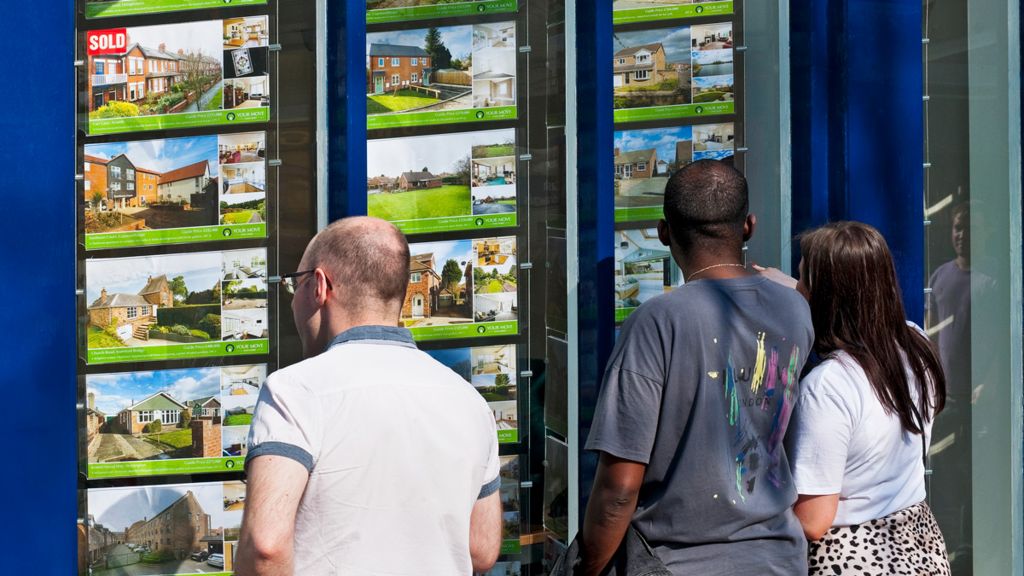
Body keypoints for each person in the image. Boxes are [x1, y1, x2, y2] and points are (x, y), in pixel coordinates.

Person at [580, 160, 815, 575]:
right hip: (779, 560)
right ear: (749, 227)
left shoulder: (656, 322)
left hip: (676, 562)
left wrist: (587, 567)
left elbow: (619, 487)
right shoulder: (794, 308)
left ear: (663, 231)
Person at [235, 217, 502, 575]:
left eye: (294, 285)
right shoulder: (469, 401)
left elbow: (266, 548)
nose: (293, 300)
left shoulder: (294, 391)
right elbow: (481, 549)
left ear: (319, 286)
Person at [777, 221, 950, 575]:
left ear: (825, 297)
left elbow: (814, 520)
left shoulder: (828, 386)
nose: (797, 289)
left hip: (852, 556)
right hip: (919, 545)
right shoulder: (915, 344)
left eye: (802, 280)